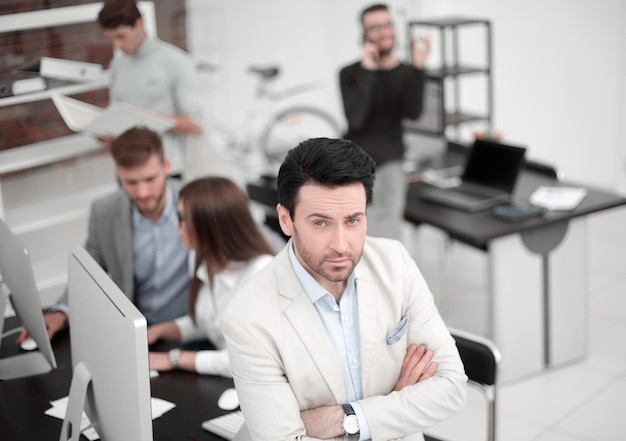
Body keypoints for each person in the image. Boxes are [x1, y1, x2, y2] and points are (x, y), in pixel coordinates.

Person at [221, 137, 467, 441]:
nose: (341, 245)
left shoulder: (395, 262)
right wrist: (395, 404)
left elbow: (452, 386)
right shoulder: (248, 316)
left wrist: (347, 419)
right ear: (286, 220)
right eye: (321, 223)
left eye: (353, 220)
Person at [18, 126, 189, 343]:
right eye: (131, 182)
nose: (142, 193)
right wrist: (60, 313)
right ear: (119, 175)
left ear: (167, 167)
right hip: (132, 334)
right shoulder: (105, 211)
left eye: (150, 179)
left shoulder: (196, 202)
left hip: (187, 331)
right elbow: (89, 273)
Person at [147, 177, 275, 376]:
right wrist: (161, 331)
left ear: (209, 224)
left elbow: (246, 360)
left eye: (182, 218)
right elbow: (209, 323)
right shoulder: (200, 257)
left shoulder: (261, 272)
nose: (176, 225)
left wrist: (174, 359)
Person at [339, 3, 430, 240]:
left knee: (386, 229)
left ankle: (387, 276)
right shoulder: (349, 74)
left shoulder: (407, 73)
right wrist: (368, 70)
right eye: (375, 27)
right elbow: (356, 119)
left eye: (388, 24)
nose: (384, 31)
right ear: (364, 34)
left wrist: (419, 67)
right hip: (354, 160)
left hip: (389, 158)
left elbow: (414, 112)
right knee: (352, 227)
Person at [97, 0, 203, 178]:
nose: (117, 46)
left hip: (163, 172)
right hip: (126, 171)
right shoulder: (117, 64)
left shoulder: (175, 61)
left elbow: (196, 125)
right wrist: (106, 132)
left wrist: (144, 119)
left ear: (139, 23)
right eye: (111, 39)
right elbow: (116, 111)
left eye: (121, 36)